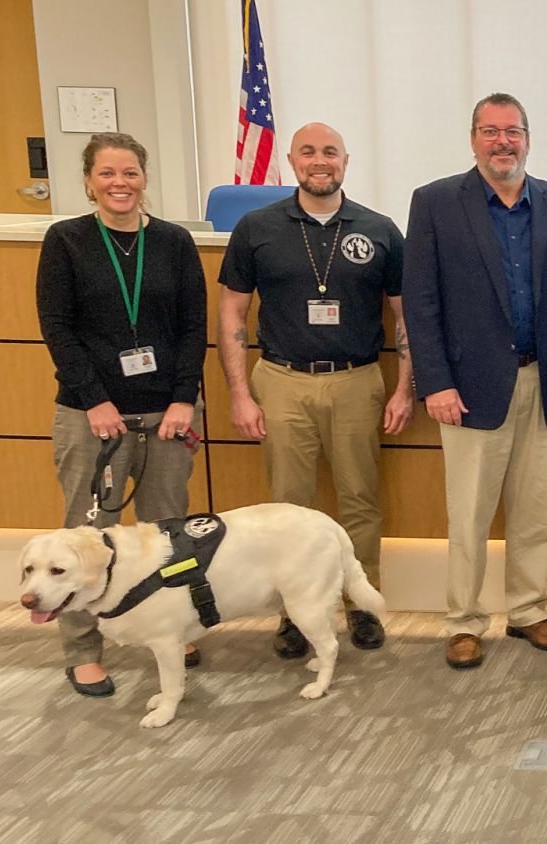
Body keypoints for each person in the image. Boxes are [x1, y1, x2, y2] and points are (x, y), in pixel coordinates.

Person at [401, 93, 547, 670]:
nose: (502, 141)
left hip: (545, 383)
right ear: (473, 139)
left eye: (512, 131)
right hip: (466, 387)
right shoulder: (435, 203)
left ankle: (530, 611)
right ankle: (463, 621)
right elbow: (421, 299)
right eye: (490, 131)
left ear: (528, 139)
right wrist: (433, 381)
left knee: (536, 511)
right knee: (469, 514)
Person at [218, 122, 412, 655]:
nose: (319, 160)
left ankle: (361, 606)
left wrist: (404, 390)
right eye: (308, 152)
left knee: (360, 501)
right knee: (288, 508)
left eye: (330, 152)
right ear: (292, 161)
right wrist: (239, 393)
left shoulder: (379, 230)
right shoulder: (257, 227)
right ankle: (294, 614)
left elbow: (404, 315)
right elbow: (232, 310)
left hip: (356, 380)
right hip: (280, 381)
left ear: (346, 162)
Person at [35, 132, 207, 696]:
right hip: (92, 418)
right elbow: (57, 329)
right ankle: (84, 651)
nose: (119, 183)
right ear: (88, 180)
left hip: (168, 414)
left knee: (167, 533)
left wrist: (185, 398)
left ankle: (173, 628)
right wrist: (95, 399)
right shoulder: (66, 241)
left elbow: (192, 328)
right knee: (85, 541)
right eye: (107, 173)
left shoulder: (174, 242)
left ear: (145, 178)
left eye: (130, 172)